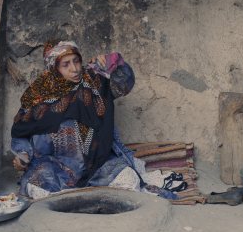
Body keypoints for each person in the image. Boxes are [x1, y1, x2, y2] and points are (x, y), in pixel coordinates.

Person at [10, 39, 148, 199]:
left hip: (96, 163)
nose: (75, 69)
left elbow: (125, 83)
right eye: (66, 64)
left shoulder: (92, 80)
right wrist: (23, 154)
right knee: (39, 188)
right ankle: (79, 199)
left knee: (129, 180)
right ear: (53, 67)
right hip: (54, 165)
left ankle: (77, 198)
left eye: (76, 61)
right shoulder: (37, 95)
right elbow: (22, 130)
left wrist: (111, 63)